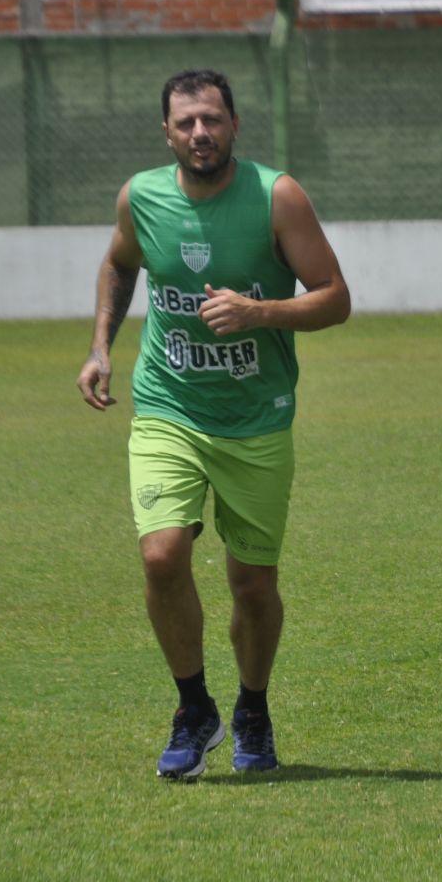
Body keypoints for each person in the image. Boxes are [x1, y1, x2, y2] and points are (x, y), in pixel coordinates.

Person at [76, 69, 351, 780]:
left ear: (235, 125)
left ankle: (252, 709)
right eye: (186, 123)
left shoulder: (276, 196)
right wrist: (102, 346)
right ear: (166, 133)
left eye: (212, 120)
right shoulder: (142, 197)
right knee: (162, 555)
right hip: (168, 405)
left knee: (253, 583)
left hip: (256, 418)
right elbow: (118, 263)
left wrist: (259, 312)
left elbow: (335, 297)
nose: (201, 133)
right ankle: (195, 707)